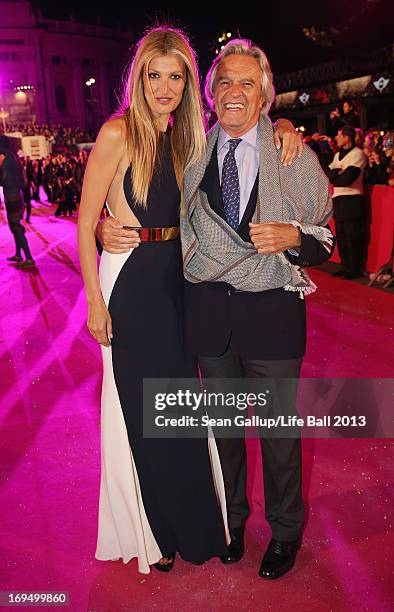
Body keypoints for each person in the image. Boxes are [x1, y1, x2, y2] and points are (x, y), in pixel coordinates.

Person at [97, 36, 332, 581]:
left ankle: (286, 532)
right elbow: (147, 201)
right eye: (224, 81)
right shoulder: (194, 148)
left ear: (265, 95)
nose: (234, 92)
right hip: (207, 319)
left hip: (272, 319)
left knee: (277, 437)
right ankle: (232, 524)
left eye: (248, 83)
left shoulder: (288, 153)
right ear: (210, 93)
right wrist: (107, 223)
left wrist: (295, 236)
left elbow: (325, 236)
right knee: (224, 435)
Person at [326, 125, 367, 279]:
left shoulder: (358, 154)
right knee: (342, 236)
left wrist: (337, 174)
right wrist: (337, 173)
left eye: (338, 135)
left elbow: (347, 179)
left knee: (353, 236)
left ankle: (354, 269)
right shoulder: (337, 155)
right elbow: (329, 174)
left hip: (353, 199)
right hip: (338, 199)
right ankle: (345, 265)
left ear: (346, 137)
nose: (336, 138)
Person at [0, 136, 35, 268]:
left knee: (16, 228)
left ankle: (29, 258)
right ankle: (18, 254)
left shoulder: (6, 160)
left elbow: (6, 181)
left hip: (13, 197)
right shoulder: (13, 157)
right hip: (16, 197)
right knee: (14, 228)